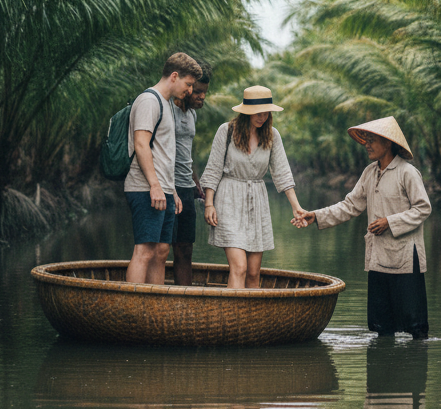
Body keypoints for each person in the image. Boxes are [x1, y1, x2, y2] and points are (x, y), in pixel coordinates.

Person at [293, 117, 431, 338]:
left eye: (372, 140)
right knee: (381, 324)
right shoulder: (369, 172)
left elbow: (423, 208)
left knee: (415, 325)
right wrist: (316, 216)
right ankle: (383, 358)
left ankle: (415, 358)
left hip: (405, 259)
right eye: (366, 140)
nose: (366, 144)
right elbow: (350, 206)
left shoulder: (407, 172)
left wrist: (389, 222)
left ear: (388, 142)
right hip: (378, 256)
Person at [199, 86, 306, 289]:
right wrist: (209, 204)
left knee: (254, 272)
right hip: (229, 200)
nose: (262, 117)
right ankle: (233, 310)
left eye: (266, 113)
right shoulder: (227, 131)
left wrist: (296, 207)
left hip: (257, 202)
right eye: (258, 113)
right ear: (246, 112)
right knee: (239, 267)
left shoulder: (272, 135)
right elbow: (213, 169)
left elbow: (282, 172)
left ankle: (249, 311)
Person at [125, 52, 203, 285]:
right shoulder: (149, 100)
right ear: (174, 76)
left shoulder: (166, 104)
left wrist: (172, 192)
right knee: (145, 251)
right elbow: (141, 144)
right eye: (188, 84)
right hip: (146, 188)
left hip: (165, 190)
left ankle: (154, 305)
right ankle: (133, 304)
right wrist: (155, 186)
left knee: (161, 252)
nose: (190, 90)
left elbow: (164, 154)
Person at [171, 61, 212, 287]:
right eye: (197, 91)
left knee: (185, 248)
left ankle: (184, 296)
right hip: (167, 187)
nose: (201, 96)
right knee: (159, 248)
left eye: (205, 92)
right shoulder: (168, 109)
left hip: (186, 187)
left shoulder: (192, 115)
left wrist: (196, 182)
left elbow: (187, 152)